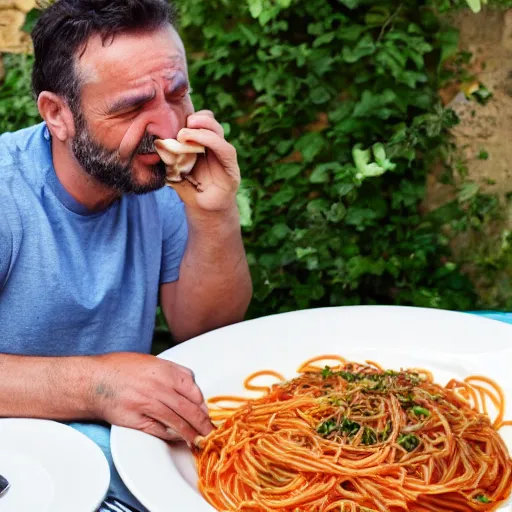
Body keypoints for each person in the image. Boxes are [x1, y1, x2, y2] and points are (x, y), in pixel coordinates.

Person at [0, 0, 252, 510]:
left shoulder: (157, 182)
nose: (167, 125)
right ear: (57, 114)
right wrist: (95, 384)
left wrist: (215, 215)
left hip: (124, 454)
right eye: (133, 107)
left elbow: (203, 332)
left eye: (177, 94)